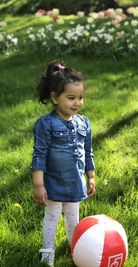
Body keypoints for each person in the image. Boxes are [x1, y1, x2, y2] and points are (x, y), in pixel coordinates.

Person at [31, 60, 95, 267]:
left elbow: (88, 151)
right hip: (53, 182)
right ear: (54, 98)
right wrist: (39, 185)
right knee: (52, 216)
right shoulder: (46, 124)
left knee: (73, 218)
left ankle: (74, 247)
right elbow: (39, 155)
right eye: (71, 98)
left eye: (80, 97)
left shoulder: (84, 123)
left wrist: (91, 176)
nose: (77, 103)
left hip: (75, 181)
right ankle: (48, 250)